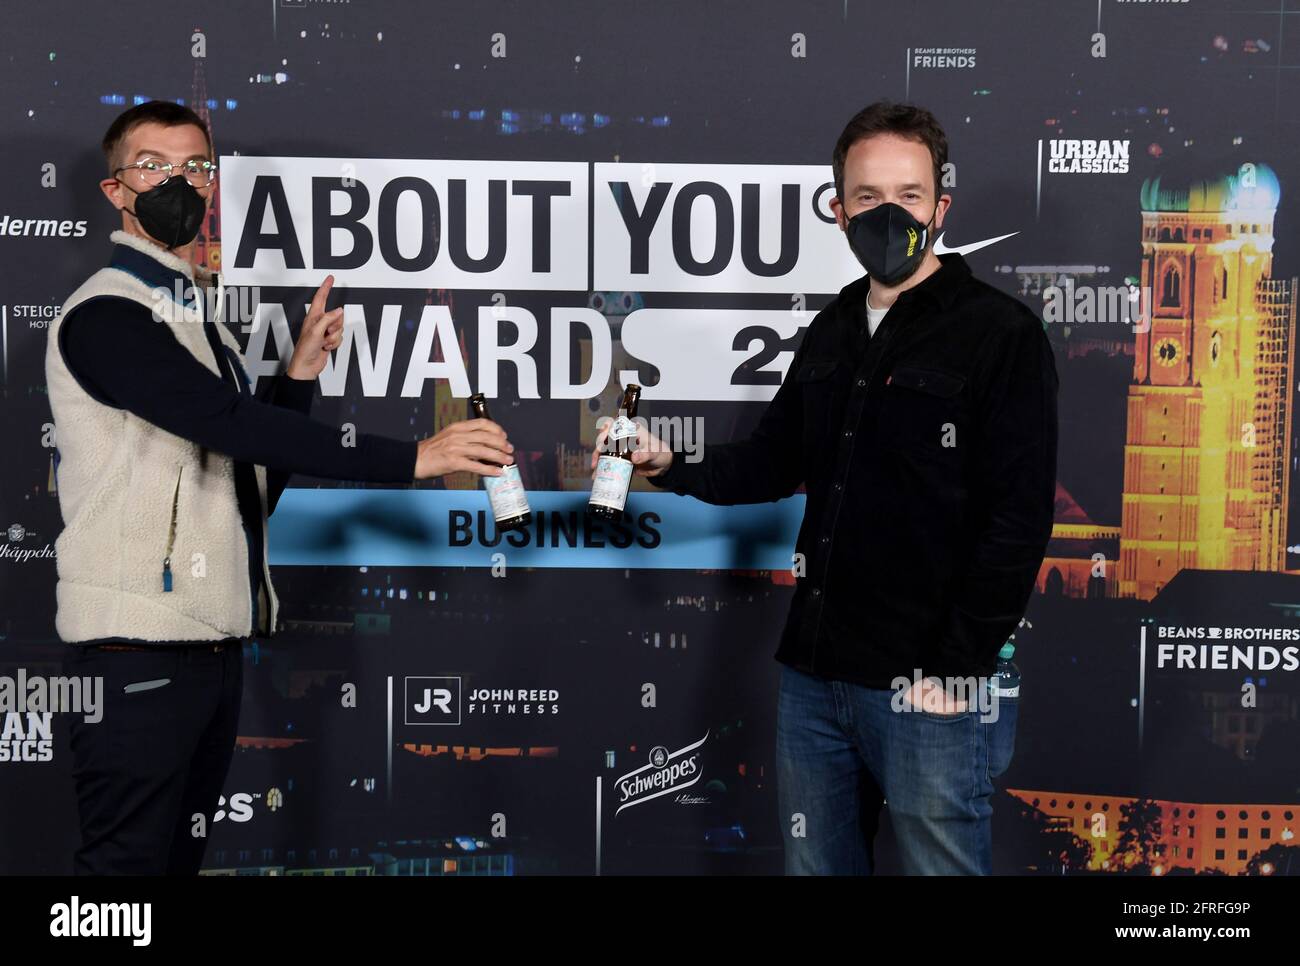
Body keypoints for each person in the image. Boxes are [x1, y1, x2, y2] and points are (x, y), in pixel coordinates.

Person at [47, 100, 515, 875]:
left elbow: (248, 484)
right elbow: (227, 423)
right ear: (115, 191)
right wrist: (414, 460)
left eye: (197, 167)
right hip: (136, 650)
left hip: (209, 644)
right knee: (120, 875)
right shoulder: (107, 314)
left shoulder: (200, 319)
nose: (180, 183)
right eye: (154, 167)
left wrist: (296, 378)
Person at [592, 101, 1058, 875]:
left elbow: (1017, 518)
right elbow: (774, 461)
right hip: (815, 680)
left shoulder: (1001, 334)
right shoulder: (835, 326)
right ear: (837, 210)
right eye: (868, 198)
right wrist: (672, 465)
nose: (889, 215)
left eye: (908, 196)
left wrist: (958, 666)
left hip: (929, 688)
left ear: (941, 206)